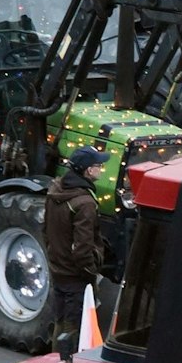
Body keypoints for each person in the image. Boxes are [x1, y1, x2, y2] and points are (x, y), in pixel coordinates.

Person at [45, 146, 108, 348]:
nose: (101, 169)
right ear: (89, 170)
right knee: (73, 331)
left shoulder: (55, 190)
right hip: (76, 277)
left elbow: (45, 231)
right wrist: (90, 273)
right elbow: (82, 249)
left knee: (60, 323)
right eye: (99, 165)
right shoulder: (85, 203)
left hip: (58, 271)